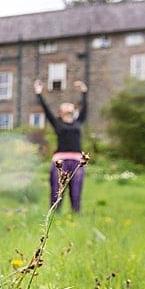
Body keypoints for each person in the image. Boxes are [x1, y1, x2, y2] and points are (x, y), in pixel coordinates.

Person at [34, 78, 88, 212]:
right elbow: (46, 110)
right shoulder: (57, 123)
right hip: (60, 161)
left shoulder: (78, 122)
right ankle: (54, 214)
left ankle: (76, 214)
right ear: (60, 111)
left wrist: (84, 92)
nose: (68, 105)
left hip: (77, 161)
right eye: (65, 105)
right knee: (57, 190)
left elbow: (85, 109)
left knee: (76, 190)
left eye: (70, 105)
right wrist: (39, 93)